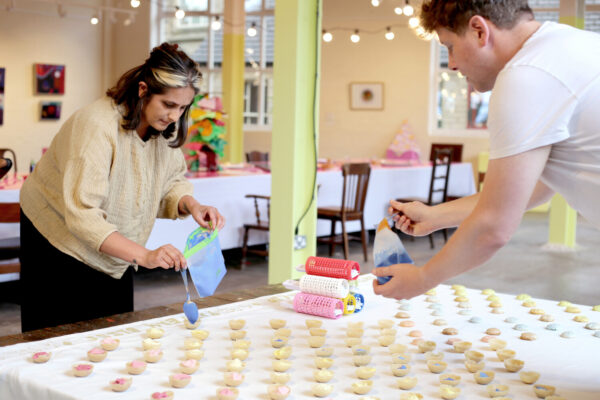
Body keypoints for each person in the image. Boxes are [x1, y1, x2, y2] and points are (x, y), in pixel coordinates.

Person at [373, 0, 600, 299]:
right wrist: (437, 216)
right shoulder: (575, 45)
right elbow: (538, 186)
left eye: (450, 46)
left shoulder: (526, 75)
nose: (451, 64)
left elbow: (493, 227)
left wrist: (421, 278)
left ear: (479, 30)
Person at [19, 43, 226, 332]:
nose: (174, 116)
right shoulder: (97, 126)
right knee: (57, 339)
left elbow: (171, 181)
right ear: (143, 90)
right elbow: (82, 215)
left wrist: (193, 205)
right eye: (168, 104)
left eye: (182, 107)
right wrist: (144, 255)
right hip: (58, 238)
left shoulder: (161, 129)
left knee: (112, 332)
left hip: (116, 244)